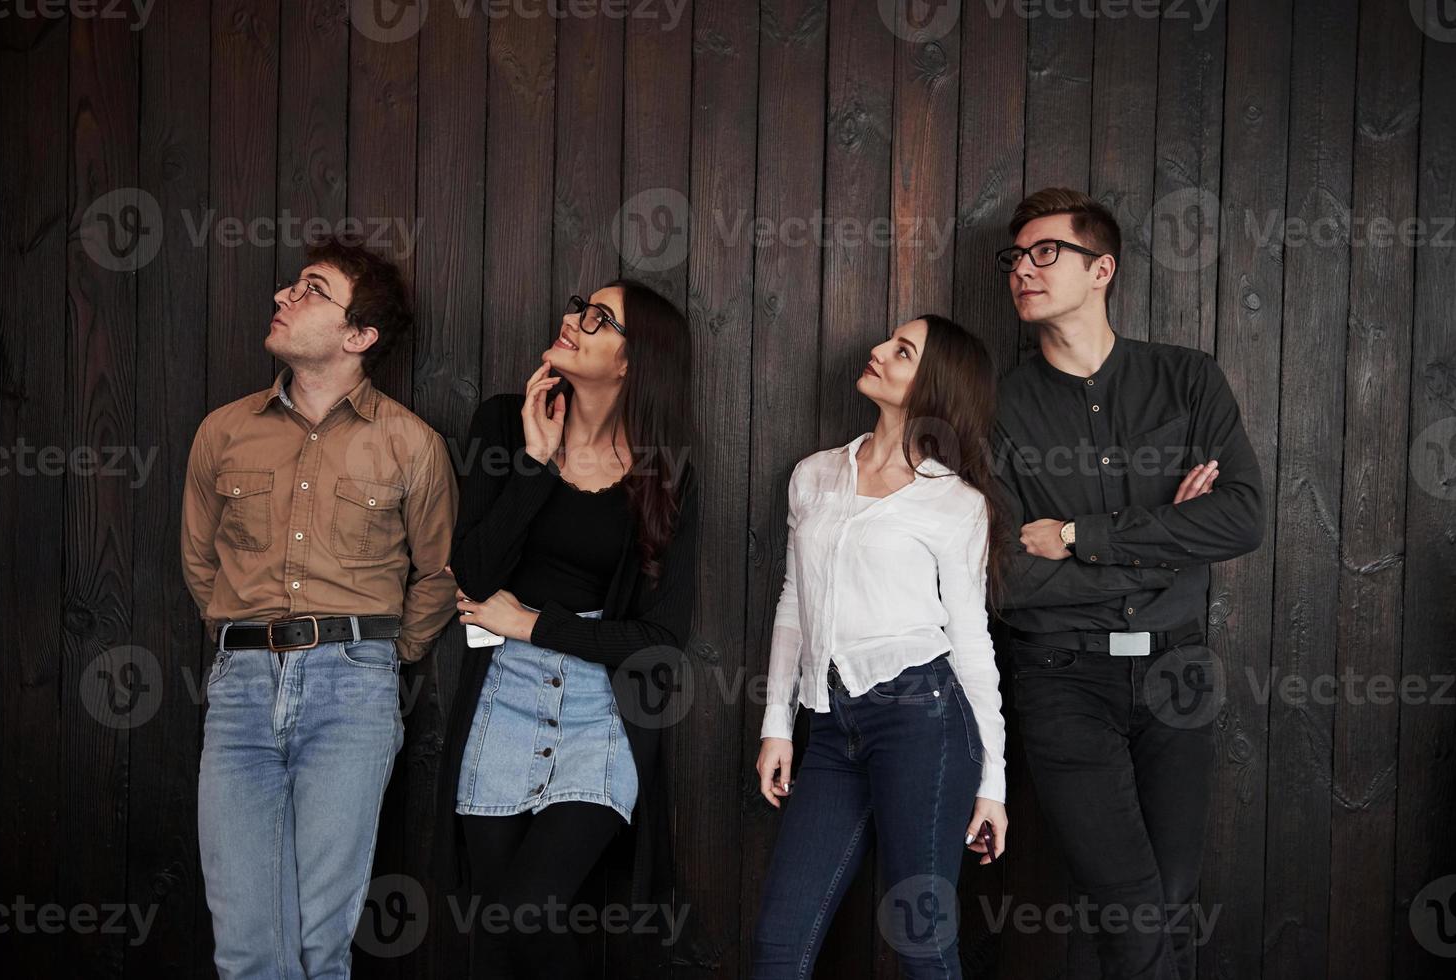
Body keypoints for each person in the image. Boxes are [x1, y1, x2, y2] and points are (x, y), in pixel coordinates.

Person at [992, 187, 1265, 979]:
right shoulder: (998, 407)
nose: (1023, 269)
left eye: (1045, 252)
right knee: (1130, 903)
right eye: (1014, 257)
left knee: (1167, 897)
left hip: (1179, 671)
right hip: (1058, 674)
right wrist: (1172, 546)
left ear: (1101, 268)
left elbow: (1242, 519)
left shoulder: (1186, 380)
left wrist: (1084, 538)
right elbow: (1005, 574)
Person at [181, 234, 458, 978]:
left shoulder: (411, 444)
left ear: (358, 336)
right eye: (291, 286)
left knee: (318, 945)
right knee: (245, 946)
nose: (282, 296)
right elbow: (201, 562)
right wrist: (241, 636)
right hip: (239, 689)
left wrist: (374, 658)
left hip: (351, 691)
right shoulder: (223, 431)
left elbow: (435, 576)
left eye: (310, 289)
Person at [431, 280, 699, 979]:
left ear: (631, 364)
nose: (573, 320)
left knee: (529, 910)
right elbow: (472, 570)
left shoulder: (662, 472)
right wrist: (534, 462)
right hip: (503, 697)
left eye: (599, 320)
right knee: (496, 929)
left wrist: (531, 623)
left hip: (597, 704)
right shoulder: (502, 422)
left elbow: (659, 637)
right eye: (580, 306)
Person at [751, 314, 1011, 979]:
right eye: (887, 342)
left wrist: (992, 781)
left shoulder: (954, 504)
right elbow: (793, 602)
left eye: (902, 351)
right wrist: (778, 726)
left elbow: (970, 641)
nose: (877, 351)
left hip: (923, 721)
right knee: (777, 948)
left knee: (920, 945)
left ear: (935, 383)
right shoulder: (813, 475)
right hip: (831, 728)